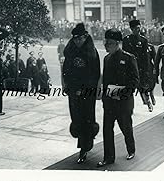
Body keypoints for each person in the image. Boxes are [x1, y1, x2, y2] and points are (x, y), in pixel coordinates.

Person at [97, 28, 139, 167]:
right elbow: (106, 80)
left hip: (123, 103)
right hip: (109, 102)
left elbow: (134, 81)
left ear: (117, 43)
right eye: (105, 42)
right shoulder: (106, 59)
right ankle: (108, 157)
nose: (106, 45)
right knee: (107, 130)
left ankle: (131, 150)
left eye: (108, 43)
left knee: (126, 128)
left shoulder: (128, 58)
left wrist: (119, 93)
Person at [63, 23, 100, 164]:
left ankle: (84, 147)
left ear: (85, 37)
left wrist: (85, 89)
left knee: (87, 118)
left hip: (87, 92)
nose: (78, 41)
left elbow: (95, 74)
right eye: (75, 39)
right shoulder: (70, 51)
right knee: (76, 118)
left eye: (80, 38)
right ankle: (83, 142)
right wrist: (68, 85)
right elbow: (66, 70)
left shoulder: (92, 52)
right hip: (73, 91)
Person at [122, 19, 152, 112]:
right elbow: (124, 55)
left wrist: (146, 70)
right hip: (129, 68)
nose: (138, 30)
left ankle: (148, 103)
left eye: (139, 28)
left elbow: (146, 57)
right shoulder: (126, 40)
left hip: (140, 68)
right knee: (130, 89)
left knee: (144, 87)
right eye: (135, 28)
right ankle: (130, 108)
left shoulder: (143, 40)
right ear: (131, 29)